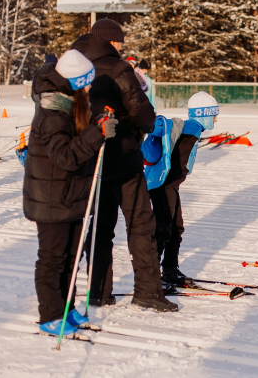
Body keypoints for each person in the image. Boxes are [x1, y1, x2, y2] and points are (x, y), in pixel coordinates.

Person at [71, 18, 176, 312]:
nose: (121, 45)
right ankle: (147, 291)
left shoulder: (74, 64)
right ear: (110, 41)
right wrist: (136, 125)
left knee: (100, 225)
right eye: (119, 41)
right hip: (123, 156)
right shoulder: (119, 68)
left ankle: (98, 291)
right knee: (140, 223)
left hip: (89, 156)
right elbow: (145, 115)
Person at [23, 50, 118, 337]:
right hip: (52, 198)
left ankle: (65, 307)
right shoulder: (53, 111)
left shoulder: (71, 104)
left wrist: (99, 121)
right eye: (86, 84)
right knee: (53, 258)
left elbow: (79, 138)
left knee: (71, 257)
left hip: (71, 195)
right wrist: (96, 133)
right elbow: (64, 156)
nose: (90, 89)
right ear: (75, 84)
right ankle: (50, 315)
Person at [142, 91, 218, 287]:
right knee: (163, 229)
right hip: (162, 184)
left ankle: (169, 270)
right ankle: (151, 274)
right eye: (214, 115)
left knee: (175, 228)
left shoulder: (195, 128)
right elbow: (162, 128)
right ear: (205, 114)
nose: (216, 120)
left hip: (170, 185)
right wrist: (155, 124)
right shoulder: (191, 126)